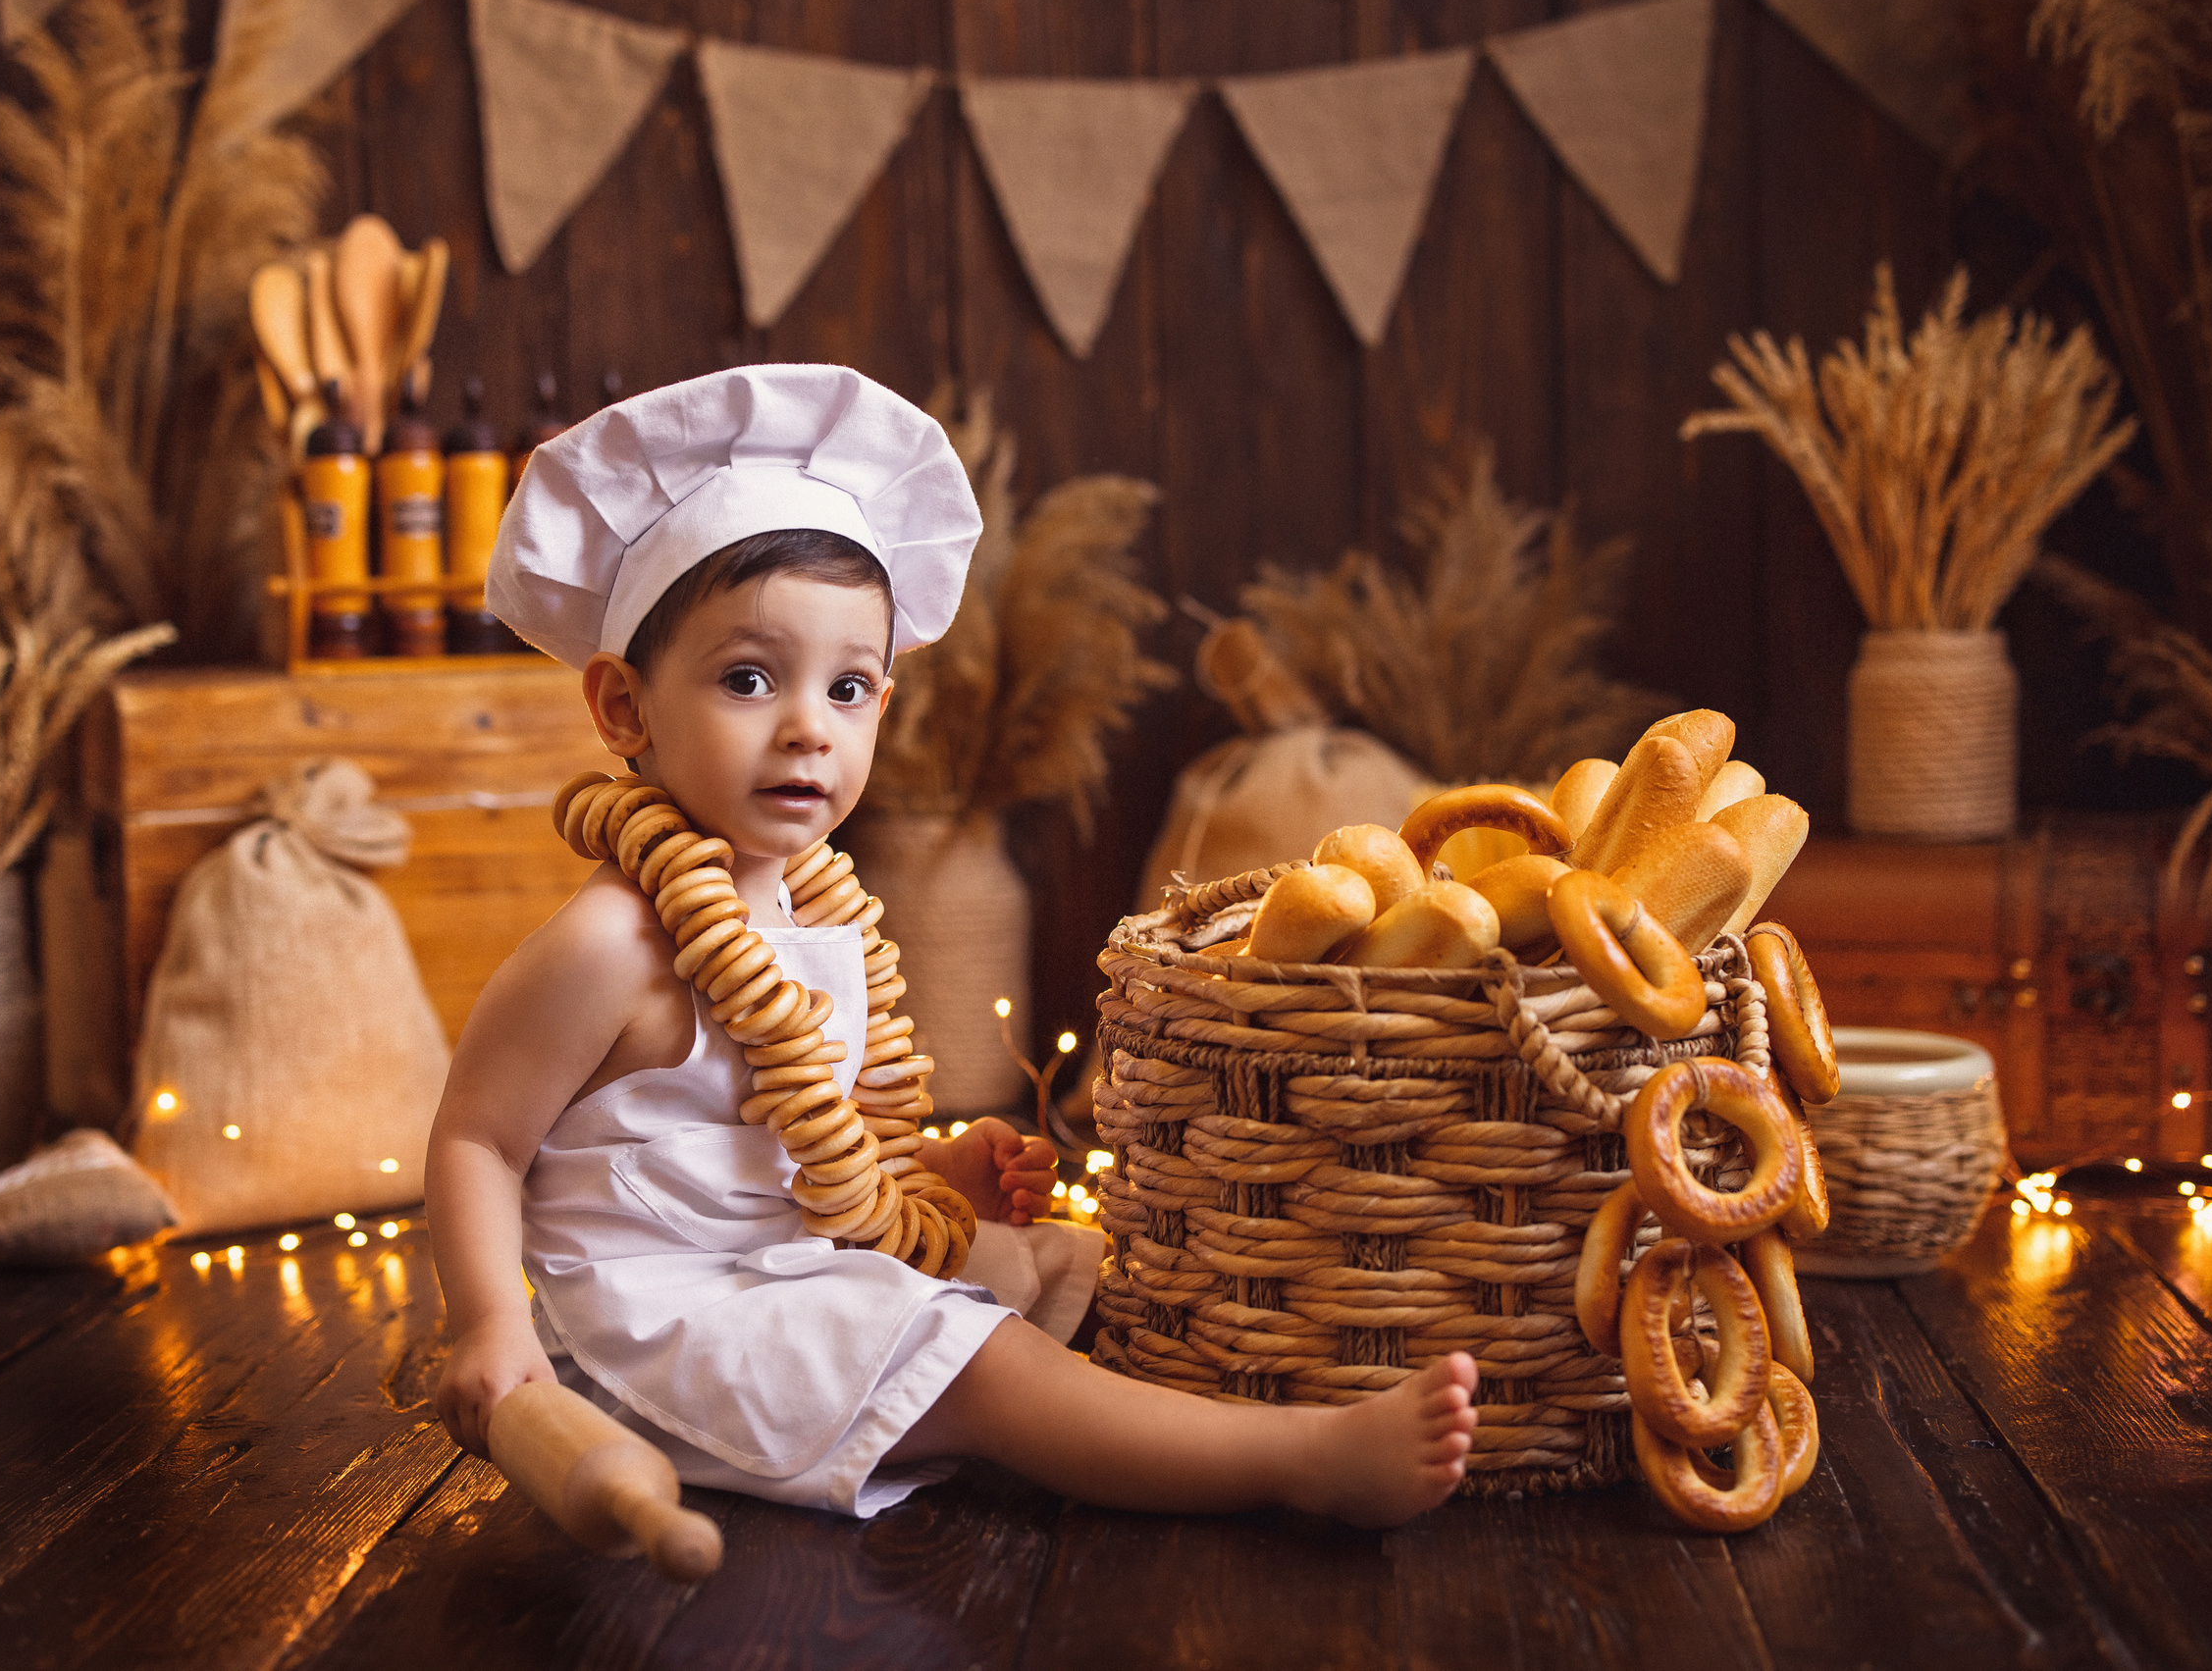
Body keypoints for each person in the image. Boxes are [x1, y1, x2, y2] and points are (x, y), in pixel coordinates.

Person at [427, 364, 1477, 1527]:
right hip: (656, 1324)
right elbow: (477, 1137)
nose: (804, 729)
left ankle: (1160, 1426)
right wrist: (491, 1322)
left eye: (848, 687)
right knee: (988, 1366)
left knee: (1066, 1264)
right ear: (624, 709)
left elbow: (776, 1166)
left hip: (778, 1273)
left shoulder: (813, 913)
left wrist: (924, 1180)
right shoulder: (610, 941)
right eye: (747, 678)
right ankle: (1295, 1462)